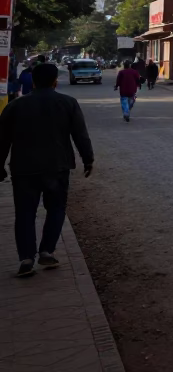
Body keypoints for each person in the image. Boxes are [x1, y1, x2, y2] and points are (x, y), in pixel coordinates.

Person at [0, 63, 94, 277]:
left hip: (23, 168)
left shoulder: (15, 106)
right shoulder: (68, 103)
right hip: (57, 167)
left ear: (32, 81)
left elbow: (2, 139)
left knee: (24, 213)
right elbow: (80, 134)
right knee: (57, 209)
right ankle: (46, 250)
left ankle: (26, 257)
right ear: (55, 81)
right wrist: (88, 159)